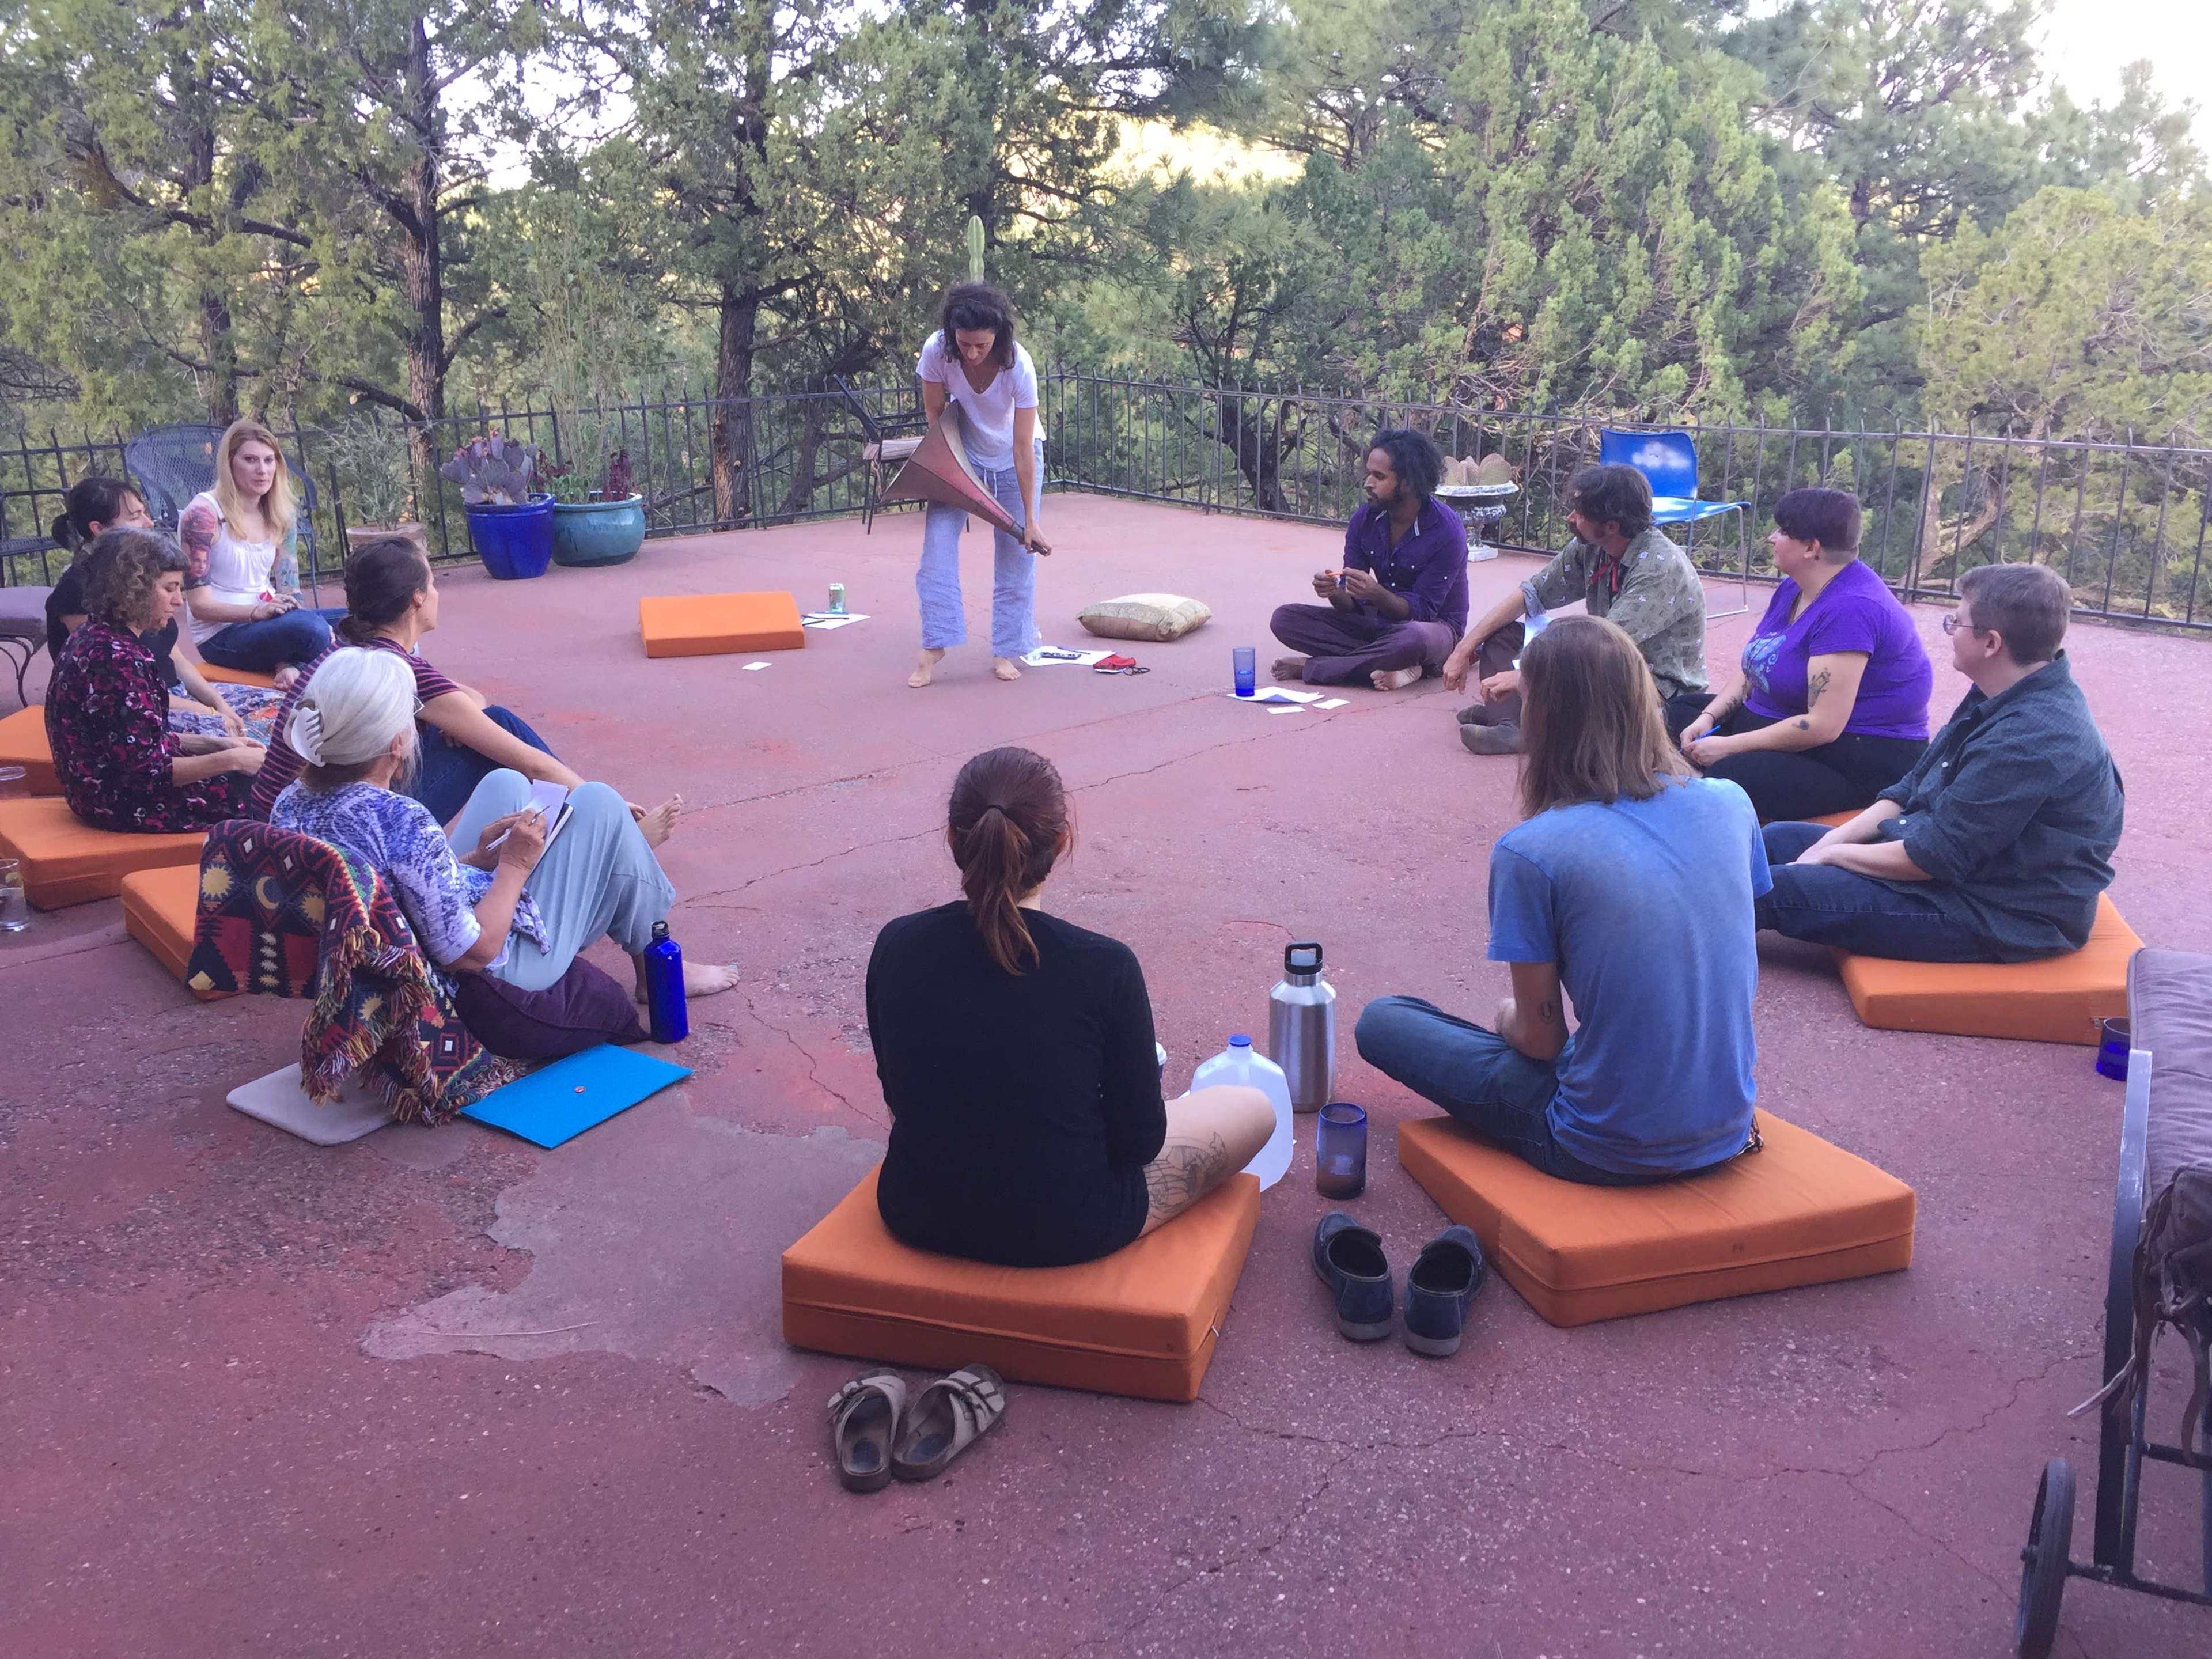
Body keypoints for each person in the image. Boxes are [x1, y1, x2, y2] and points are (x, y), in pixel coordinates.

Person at [1357, 616, 1770, 1183]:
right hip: (1726, 1125)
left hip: (1597, 1144)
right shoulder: (1731, 802)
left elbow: (1541, 1039)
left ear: (1545, 718)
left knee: (1384, 1022)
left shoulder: (1531, 851)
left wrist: (1507, 1019)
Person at [866, 746, 1275, 1267]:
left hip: (915, 1208)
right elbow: (1139, 1145)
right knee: (1252, 1107)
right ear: (1062, 841)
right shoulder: (1104, 966)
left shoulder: (896, 943)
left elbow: (901, 1099)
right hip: (1066, 1229)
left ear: (952, 839)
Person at [267, 649, 738, 1002]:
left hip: (377, 961)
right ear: (396, 744)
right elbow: (476, 954)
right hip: (487, 982)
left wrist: (474, 862)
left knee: (506, 783)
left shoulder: (292, 803)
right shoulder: (402, 820)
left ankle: (630, 883)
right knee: (600, 802)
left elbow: (389, 891)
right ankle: (657, 965)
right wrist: (513, 865)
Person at [1758, 562, 2122, 963]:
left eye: (1957, 622)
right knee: (1774, 840)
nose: (1949, 631)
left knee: (1773, 889)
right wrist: (1832, 840)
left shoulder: (2033, 738)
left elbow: (1934, 857)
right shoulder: (2004, 688)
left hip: (1996, 911)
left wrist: (1831, 856)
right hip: (1953, 866)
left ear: (1991, 643)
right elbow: (1911, 787)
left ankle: (1686, 950)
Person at [245, 537, 638, 830]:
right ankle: (605, 829)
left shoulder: (355, 648)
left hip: (284, 816)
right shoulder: (397, 666)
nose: (436, 594)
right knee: (494, 737)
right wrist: (612, 808)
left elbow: (467, 699)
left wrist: (452, 718)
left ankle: (563, 827)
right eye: (432, 585)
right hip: (329, 831)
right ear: (417, 598)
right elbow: (529, 760)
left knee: (481, 725)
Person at [1680, 488, 1932, 821]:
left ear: (1812, 548)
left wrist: (1728, 746)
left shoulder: (1852, 610)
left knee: (1731, 778)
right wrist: (1708, 719)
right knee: (1675, 714)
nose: (1771, 538)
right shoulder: (1794, 587)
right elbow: (1756, 665)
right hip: (1783, 722)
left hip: (1852, 756)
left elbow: (1823, 726)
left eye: (1783, 531)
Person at [1443, 463, 1710, 755]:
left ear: (1611, 526)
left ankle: (1523, 726)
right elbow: (1531, 594)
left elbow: (1605, 646)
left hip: (1653, 684)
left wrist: (1525, 677)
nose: (1571, 518)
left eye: (1580, 514)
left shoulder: (1659, 567)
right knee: (1505, 637)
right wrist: (1464, 649)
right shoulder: (1591, 546)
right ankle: (1513, 716)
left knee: (1575, 659)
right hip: (1601, 654)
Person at [43, 528, 266, 833]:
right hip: (120, 805)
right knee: (273, 792)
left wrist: (215, 744)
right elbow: (148, 772)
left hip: (97, 792)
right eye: (170, 588)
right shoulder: (117, 660)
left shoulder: (94, 635)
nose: (179, 601)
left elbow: (134, 742)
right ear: (132, 588)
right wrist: (232, 759)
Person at [43, 476, 286, 743]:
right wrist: (213, 715)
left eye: (145, 512)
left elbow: (176, 659)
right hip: (136, 710)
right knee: (254, 736)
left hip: (178, 695)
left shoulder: (141, 578)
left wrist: (220, 706)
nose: (149, 523)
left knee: (286, 708)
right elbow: (127, 691)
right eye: (135, 517)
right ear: (99, 529)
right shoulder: (79, 593)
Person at [908, 283, 1052, 689]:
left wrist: (1030, 520)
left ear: (999, 337)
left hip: (1014, 456)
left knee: (1017, 556)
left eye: (982, 346)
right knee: (935, 548)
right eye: (965, 343)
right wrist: (948, 465)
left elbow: (1023, 448)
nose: (972, 353)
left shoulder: (1018, 365)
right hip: (959, 450)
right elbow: (935, 411)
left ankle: (1007, 649)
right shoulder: (937, 350)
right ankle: (935, 642)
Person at [1269, 429, 1469, 690]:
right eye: (1369, 473)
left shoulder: (1446, 530)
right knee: (1285, 619)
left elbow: (1423, 612)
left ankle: (1318, 667)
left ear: (1408, 482)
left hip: (1434, 629)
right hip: (1377, 624)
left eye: (1379, 476)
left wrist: (1376, 593)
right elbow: (1351, 606)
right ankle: (1397, 665)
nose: (1368, 483)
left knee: (1412, 639)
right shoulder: (1365, 520)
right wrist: (1333, 591)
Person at [180, 418, 346, 686]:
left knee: (365, 620)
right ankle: (323, 680)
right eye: (250, 460)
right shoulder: (203, 515)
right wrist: (256, 612)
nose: (262, 470)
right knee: (311, 629)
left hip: (272, 621)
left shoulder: (280, 513)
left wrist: (290, 644)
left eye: (269, 461)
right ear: (230, 463)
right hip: (222, 635)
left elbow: (290, 592)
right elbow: (199, 607)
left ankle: (293, 666)